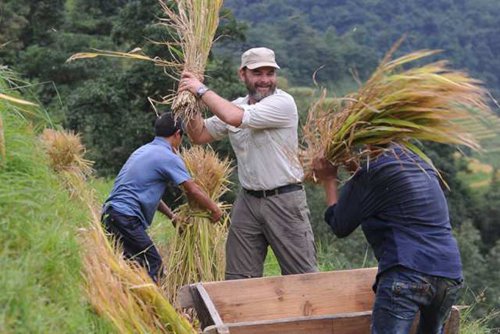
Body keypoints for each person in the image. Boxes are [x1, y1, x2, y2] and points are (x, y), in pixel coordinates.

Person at [178, 47, 317, 279]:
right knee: (238, 279)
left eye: (269, 73)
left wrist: (200, 89)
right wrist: (189, 98)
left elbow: (234, 118)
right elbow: (198, 135)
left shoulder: (283, 104)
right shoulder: (238, 104)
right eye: (257, 73)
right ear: (242, 74)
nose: (265, 80)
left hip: (284, 200)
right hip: (248, 201)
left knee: (302, 278)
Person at [313, 145, 463, 334]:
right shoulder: (420, 163)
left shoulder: (371, 173)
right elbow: (386, 190)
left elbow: (340, 224)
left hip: (407, 270)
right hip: (448, 272)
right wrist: (355, 169)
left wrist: (329, 179)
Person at [102, 112, 222, 283]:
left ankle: (127, 302)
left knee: (133, 265)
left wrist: (172, 216)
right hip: (126, 217)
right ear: (177, 134)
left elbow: (149, 194)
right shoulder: (168, 157)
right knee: (154, 265)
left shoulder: (143, 150)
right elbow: (193, 190)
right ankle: (148, 307)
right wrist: (214, 208)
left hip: (113, 214)